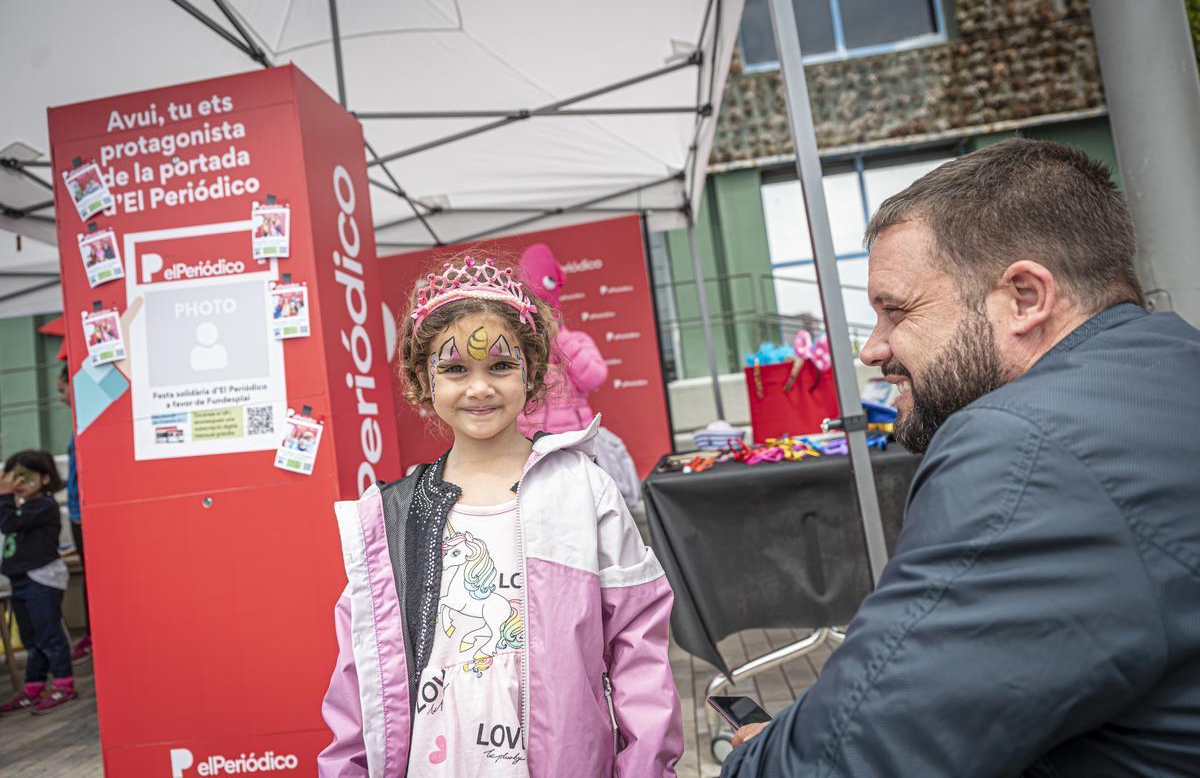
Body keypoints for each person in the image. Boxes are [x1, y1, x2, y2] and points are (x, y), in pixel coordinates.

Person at [722, 139, 1200, 777]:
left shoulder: (1022, 445)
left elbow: (852, 759)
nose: (873, 349)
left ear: (1025, 298)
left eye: (896, 310)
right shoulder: (1174, 362)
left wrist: (755, 754)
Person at [318, 254, 682, 777]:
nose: (479, 387)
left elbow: (638, 648)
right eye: (455, 369)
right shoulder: (391, 517)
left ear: (532, 372)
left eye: (501, 366)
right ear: (424, 379)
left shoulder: (584, 490)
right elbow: (360, 677)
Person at [516, 243, 642, 507]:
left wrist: (558, 340)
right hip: (533, 449)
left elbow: (594, 376)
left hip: (577, 445)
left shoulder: (574, 340)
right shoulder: (520, 349)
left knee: (585, 506)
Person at [0, 450, 77, 715]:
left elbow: (7, 523)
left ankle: (63, 684)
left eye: (24, 476)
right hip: (22, 581)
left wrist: (5, 495)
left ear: (44, 479)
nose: (17, 483)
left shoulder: (44, 506)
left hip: (42, 580)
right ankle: (34, 687)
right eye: (12, 477)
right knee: (32, 640)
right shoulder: (24, 507)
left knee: (49, 636)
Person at [57, 365, 91, 662]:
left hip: (84, 512)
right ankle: (92, 635)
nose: (61, 397)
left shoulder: (89, 418)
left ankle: (93, 635)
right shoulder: (77, 422)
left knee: (93, 580)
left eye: (62, 389)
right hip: (77, 510)